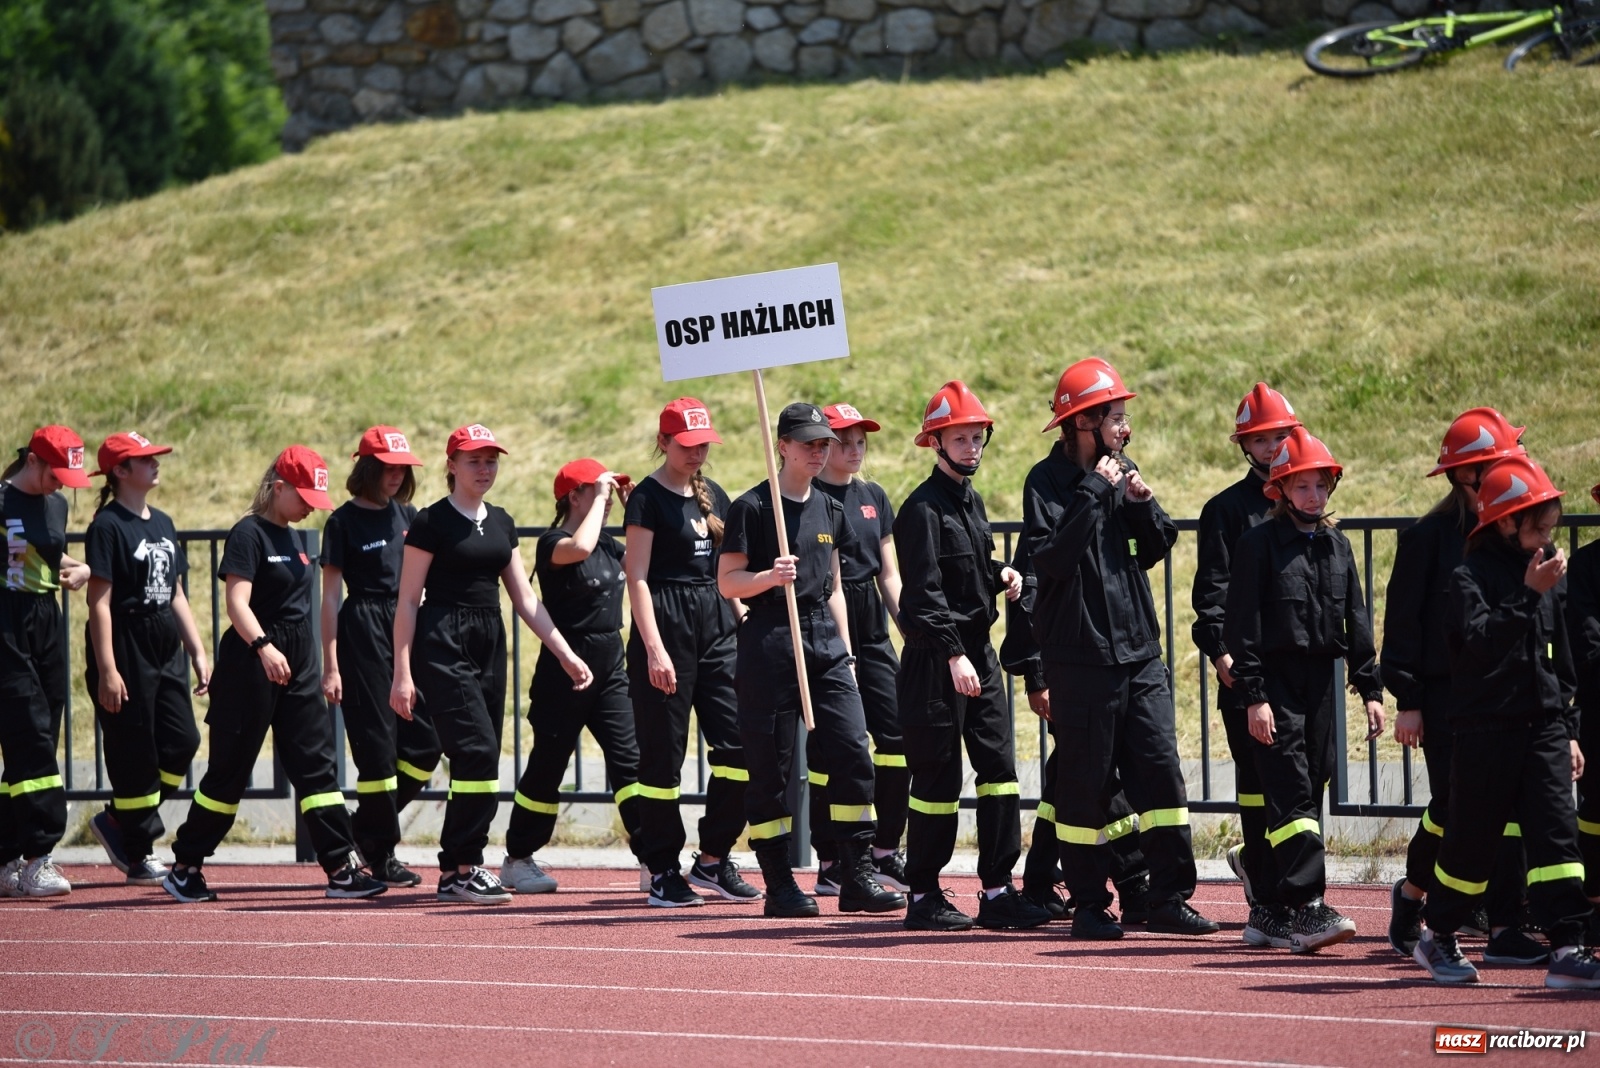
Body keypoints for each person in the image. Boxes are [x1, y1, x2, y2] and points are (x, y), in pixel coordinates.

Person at [1030, 359, 1217, 941]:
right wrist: (1095, 491)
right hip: (1080, 658)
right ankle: (1089, 903)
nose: (1124, 425)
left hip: (1139, 653)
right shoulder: (1047, 481)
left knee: (1161, 774)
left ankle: (1166, 898)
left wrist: (1140, 500)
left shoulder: (1122, 469)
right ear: (1083, 421)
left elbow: (1157, 543)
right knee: (1084, 785)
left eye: (1123, 415)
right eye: (1114, 415)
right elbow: (1054, 560)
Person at [165, 446, 386, 903]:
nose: (309, 507)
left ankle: (341, 865)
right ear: (278, 487)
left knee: (317, 766)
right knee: (229, 771)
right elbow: (236, 604)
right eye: (303, 496)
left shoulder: (294, 537)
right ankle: (186, 865)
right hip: (252, 662)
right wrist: (264, 647)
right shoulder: (249, 534)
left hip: (298, 661)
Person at [1414, 456, 1600, 988]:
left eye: (1551, 526)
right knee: (1472, 841)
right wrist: (1528, 593)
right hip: (1484, 728)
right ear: (1503, 521)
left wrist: (1569, 729)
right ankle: (1438, 934)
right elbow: (1479, 644)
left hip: (1542, 726)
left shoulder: (1548, 575)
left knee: (1557, 838)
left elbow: (1560, 662)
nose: (1547, 536)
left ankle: (1568, 946)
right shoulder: (1467, 577)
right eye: (1537, 526)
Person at [390, 424, 592, 905]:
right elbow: (407, 600)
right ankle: (463, 866)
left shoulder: (501, 521)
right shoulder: (431, 522)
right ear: (452, 466)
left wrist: (565, 653)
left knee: (480, 755)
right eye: (474, 460)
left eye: (491, 460)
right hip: (442, 638)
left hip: (488, 639)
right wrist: (402, 671)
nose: (484, 468)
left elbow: (524, 598)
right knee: (477, 751)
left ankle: (458, 867)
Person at [718, 402, 905, 918]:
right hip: (769, 637)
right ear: (781, 446)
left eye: (824, 444)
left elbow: (836, 587)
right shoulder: (752, 507)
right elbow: (727, 580)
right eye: (809, 444)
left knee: (852, 751)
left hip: (823, 636)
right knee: (771, 769)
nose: (820, 452)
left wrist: (843, 653)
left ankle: (855, 874)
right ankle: (779, 883)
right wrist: (767, 578)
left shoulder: (833, 507)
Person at [1383, 409, 1542, 964]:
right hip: (1451, 697)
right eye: (1489, 465)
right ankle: (1412, 895)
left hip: (1512, 694)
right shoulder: (1428, 538)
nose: (1502, 471)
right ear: (1461, 476)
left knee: (1512, 808)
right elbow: (1403, 623)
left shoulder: (1520, 533)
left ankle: (1505, 925)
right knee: (1455, 807)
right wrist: (1409, 700)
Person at [895, 380, 1048, 932]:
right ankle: (922, 895)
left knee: (999, 771)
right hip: (938, 659)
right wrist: (954, 654)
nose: (971, 447)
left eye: (977, 436)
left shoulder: (971, 500)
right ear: (935, 443)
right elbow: (924, 595)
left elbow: (970, 566)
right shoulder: (920, 511)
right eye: (959, 438)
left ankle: (997, 888)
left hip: (976, 652)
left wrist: (998, 571)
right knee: (936, 779)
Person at [1224, 426, 1384, 952]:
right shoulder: (1257, 546)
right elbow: (1241, 629)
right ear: (1280, 490)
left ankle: (1268, 908)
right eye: (1301, 487)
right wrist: (1254, 697)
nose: (1312, 496)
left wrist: (1371, 690)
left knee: (1308, 788)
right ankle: (1309, 907)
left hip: (1321, 686)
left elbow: (1356, 621)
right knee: (1292, 794)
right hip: (1274, 684)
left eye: (1320, 486)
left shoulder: (1338, 547)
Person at [624, 398, 759, 907]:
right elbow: (635, 577)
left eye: (704, 443)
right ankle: (662, 869)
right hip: (666, 626)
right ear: (663, 442)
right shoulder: (646, 498)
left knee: (740, 749)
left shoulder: (716, 494)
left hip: (717, 626)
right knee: (662, 759)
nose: (697, 452)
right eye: (687, 444)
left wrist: (744, 623)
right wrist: (655, 650)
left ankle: (712, 858)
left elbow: (725, 576)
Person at [501, 458, 647, 895]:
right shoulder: (555, 542)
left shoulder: (608, 543)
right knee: (548, 766)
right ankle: (518, 857)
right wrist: (602, 499)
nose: (604, 500)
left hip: (609, 666)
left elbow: (646, 564)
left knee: (631, 760)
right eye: (595, 490)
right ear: (573, 496)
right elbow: (578, 549)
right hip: (565, 669)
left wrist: (635, 507)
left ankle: (652, 857)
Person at [1192, 383, 1302, 947]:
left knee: (1302, 788)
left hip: (1301, 681)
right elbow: (1209, 599)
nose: (1272, 447)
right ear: (1245, 446)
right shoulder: (1226, 512)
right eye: (1260, 440)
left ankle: (1287, 888)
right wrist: (1223, 655)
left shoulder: (1308, 507)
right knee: (1258, 791)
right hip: (1249, 676)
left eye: (1280, 436)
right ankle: (1269, 899)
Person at [83, 432, 209, 888]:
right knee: (134, 749)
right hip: (125, 642)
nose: (156, 464)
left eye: (156, 457)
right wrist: (109, 669)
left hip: (163, 643)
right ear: (120, 471)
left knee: (182, 741)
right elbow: (99, 603)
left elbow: (175, 593)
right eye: (144, 459)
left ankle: (119, 820)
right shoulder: (108, 526)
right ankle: (139, 852)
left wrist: (196, 650)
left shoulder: (165, 522)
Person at [319, 426, 431, 890]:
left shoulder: (409, 515)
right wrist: (331, 664)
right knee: (378, 753)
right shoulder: (342, 522)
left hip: (406, 629)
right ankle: (382, 853)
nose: (396, 475)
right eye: (387, 466)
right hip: (361, 630)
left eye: (402, 467)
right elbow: (328, 599)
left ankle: (363, 831)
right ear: (366, 467)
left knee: (425, 745)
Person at [809, 402, 909, 896]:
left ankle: (886, 850)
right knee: (834, 751)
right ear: (822, 447)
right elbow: (830, 584)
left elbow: (889, 574)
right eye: (842, 442)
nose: (853, 451)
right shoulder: (811, 499)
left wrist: (912, 628)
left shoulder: (874, 495)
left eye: (860, 442)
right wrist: (841, 651)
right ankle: (831, 859)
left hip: (873, 625)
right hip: (827, 624)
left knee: (897, 742)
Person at [0, 427, 91, 898]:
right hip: (6, 617)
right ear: (33, 461)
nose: (63, 484)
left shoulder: (57, 503)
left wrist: (82, 568)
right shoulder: (1, 500)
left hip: (45, 618)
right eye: (58, 473)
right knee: (29, 728)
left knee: (40, 731)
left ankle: (6, 854)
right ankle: (40, 856)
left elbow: (47, 554)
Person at [1564, 478, 1600, 934]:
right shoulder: (1588, 565)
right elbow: (1587, 644)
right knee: (1595, 810)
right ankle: (1593, 903)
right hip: (1597, 705)